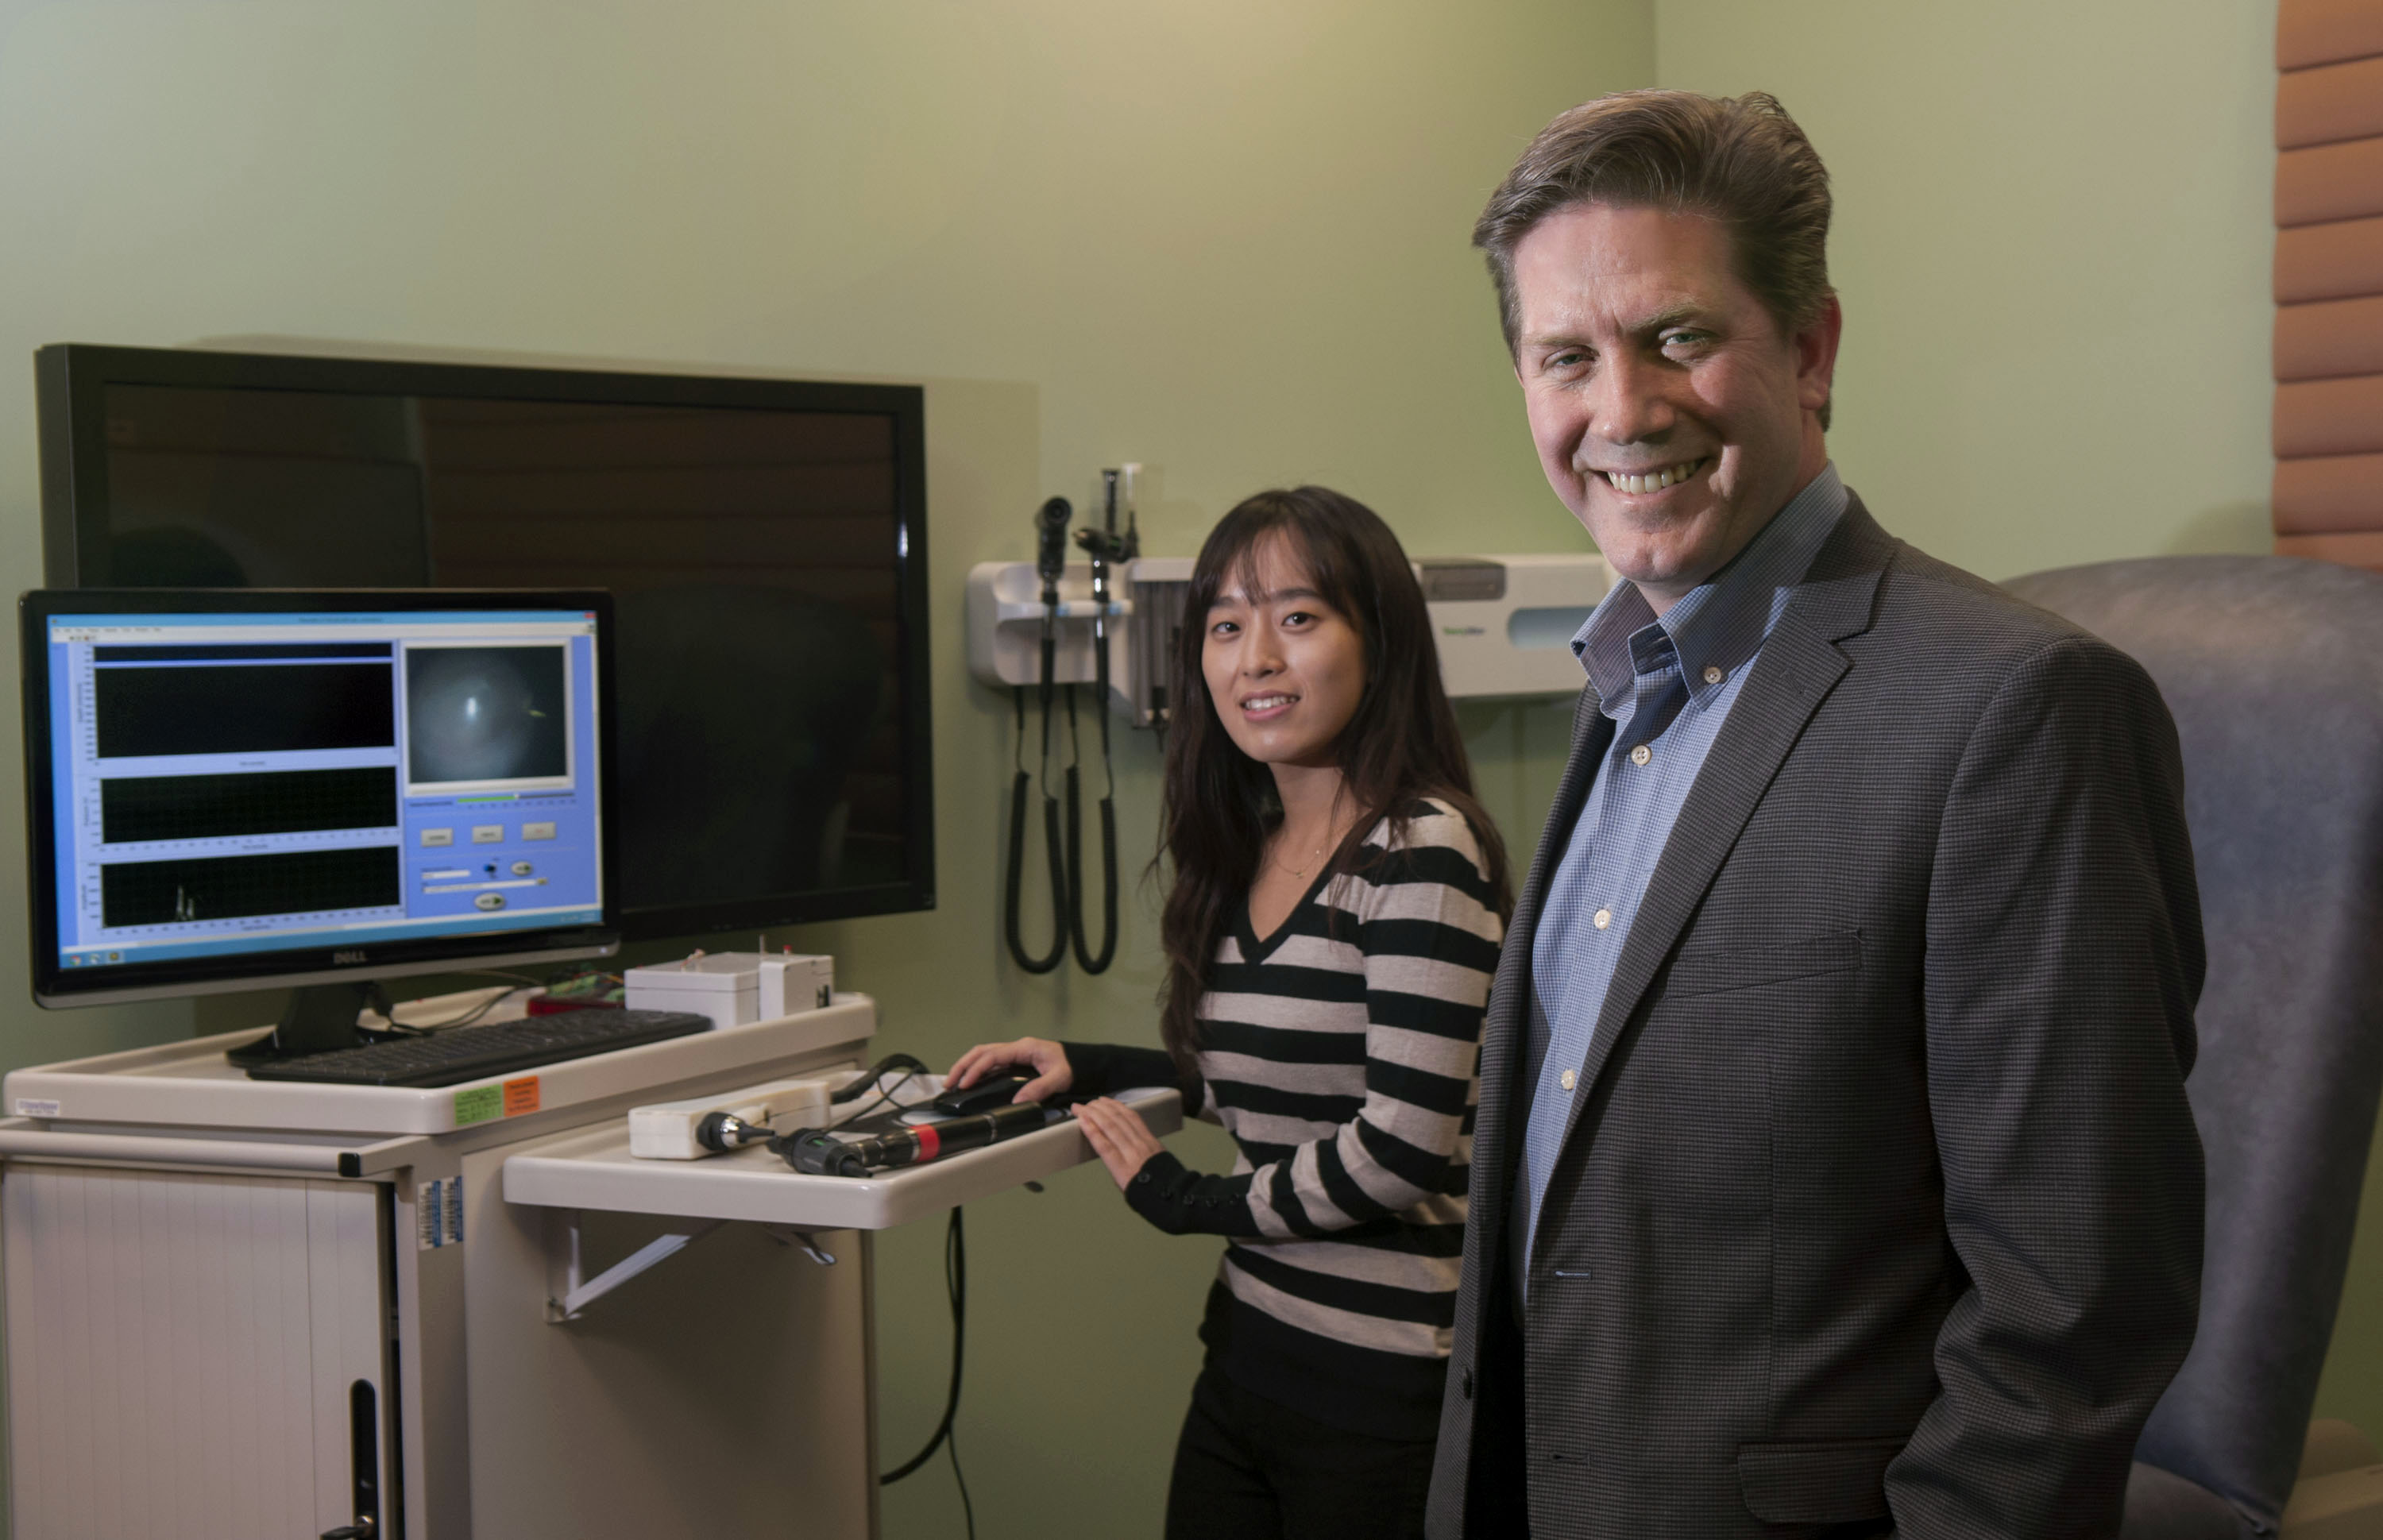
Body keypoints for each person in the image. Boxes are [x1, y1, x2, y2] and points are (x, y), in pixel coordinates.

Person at [1423, 91, 2205, 1540]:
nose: (1622, 410)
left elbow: (2076, 1305)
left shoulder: (2017, 711)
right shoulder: (1624, 683)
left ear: (1814, 348)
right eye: (1565, 358)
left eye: (1679, 337)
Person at [949, 486, 1512, 1540]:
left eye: (1298, 618)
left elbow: (1400, 1146)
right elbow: (1264, 1077)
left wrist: (1191, 1200)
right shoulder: (1245, 847)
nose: (1255, 658)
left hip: (1383, 1390)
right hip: (1250, 1356)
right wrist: (1093, 1061)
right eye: (1225, 625)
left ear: (1377, 641)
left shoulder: (1421, 848)